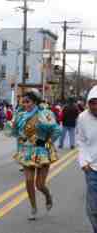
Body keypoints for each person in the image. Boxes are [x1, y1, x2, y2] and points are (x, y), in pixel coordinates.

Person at [11, 90, 61, 220]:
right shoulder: (20, 115)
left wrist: (46, 143)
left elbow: (56, 130)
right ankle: (33, 208)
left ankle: (48, 195)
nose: (25, 104)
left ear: (35, 102)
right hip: (27, 152)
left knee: (39, 185)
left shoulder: (45, 114)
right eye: (23, 102)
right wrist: (17, 133)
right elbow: (14, 132)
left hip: (42, 151)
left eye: (27, 102)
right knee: (28, 181)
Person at [77, 85, 97, 233]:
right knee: (93, 209)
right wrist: (83, 163)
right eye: (92, 102)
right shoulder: (83, 118)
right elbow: (81, 140)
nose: (95, 106)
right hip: (92, 170)